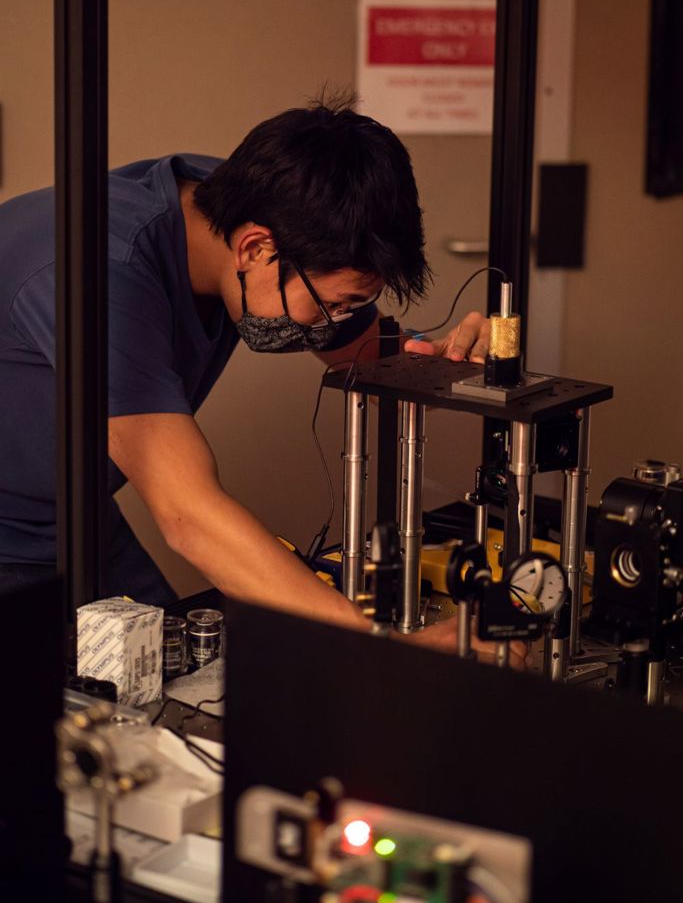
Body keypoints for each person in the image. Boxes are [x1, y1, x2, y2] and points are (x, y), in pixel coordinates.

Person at [0, 99, 523, 664]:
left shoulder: (243, 203)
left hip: (75, 518)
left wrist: (444, 357)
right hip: (10, 532)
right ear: (255, 248)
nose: (335, 326)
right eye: (334, 305)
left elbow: (363, 352)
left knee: (164, 678)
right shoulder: (99, 278)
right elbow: (188, 515)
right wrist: (388, 651)